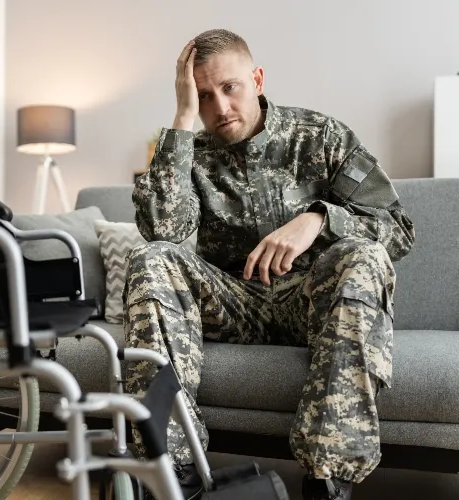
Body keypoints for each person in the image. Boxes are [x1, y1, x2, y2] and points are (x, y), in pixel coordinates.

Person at [125, 28, 415, 500]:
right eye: (203, 96)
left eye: (229, 87)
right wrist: (180, 121)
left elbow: (397, 228)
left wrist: (318, 220)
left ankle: (327, 478)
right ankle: (174, 470)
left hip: (317, 305)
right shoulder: (190, 153)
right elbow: (165, 232)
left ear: (257, 78)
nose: (219, 108)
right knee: (150, 259)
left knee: (363, 255)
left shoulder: (320, 136)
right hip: (235, 305)